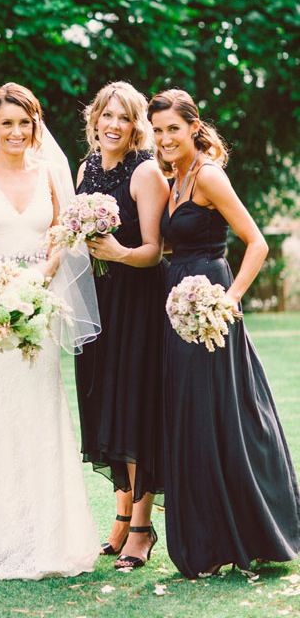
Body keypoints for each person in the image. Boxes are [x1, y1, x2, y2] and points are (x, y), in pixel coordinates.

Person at [0, 82, 101, 580]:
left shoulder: (53, 174)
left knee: (40, 411)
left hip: (39, 304)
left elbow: (62, 238)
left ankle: (51, 538)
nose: (16, 131)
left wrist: (37, 282)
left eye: (24, 122)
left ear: (36, 126)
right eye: (6, 122)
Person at [148, 88, 300, 578]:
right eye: (158, 131)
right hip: (178, 304)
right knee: (195, 417)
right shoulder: (173, 177)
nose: (166, 138)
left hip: (209, 302)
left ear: (194, 126)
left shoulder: (208, 175)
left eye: (174, 128)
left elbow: (255, 243)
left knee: (224, 415)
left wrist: (227, 299)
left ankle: (248, 531)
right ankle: (209, 540)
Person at [74, 81, 169, 569]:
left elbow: (154, 250)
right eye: (106, 115)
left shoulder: (146, 171)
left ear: (137, 126)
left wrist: (118, 253)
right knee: (103, 403)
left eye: (124, 118)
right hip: (99, 302)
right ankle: (118, 516)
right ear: (95, 119)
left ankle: (142, 526)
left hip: (138, 302)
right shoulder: (86, 167)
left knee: (136, 409)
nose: (113, 125)